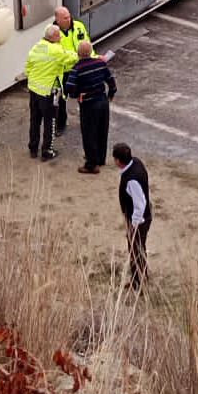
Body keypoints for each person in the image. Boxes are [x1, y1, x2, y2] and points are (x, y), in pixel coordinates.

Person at [64, 41, 115, 175]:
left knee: (89, 134)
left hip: (89, 104)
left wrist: (76, 94)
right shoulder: (100, 63)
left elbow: (69, 87)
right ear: (91, 51)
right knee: (102, 131)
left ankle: (92, 165)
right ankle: (100, 159)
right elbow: (111, 80)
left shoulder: (76, 68)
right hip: (103, 102)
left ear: (78, 54)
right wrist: (111, 94)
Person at [26, 26, 76, 160]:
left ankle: (33, 149)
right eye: (59, 35)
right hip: (49, 92)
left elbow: (28, 68)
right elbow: (70, 59)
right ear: (53, 37)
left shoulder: (36, 47)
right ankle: (47, 151)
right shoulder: (56, 50)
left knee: (34, 121)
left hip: (34, 90)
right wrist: (82, 54)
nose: (61, 37)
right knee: (50, 122)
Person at [112, 142, 151, 290]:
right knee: (137, 249)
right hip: (142, 216)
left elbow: (139, 205)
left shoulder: (132, 179)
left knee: (136, 250)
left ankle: (139, 282)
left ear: (118, 161)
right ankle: (139, 277)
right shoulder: (136, 162)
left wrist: (134, 225)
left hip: (139, 220)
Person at [52, 6, 91, 135]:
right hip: (62, 72)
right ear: (57, 20)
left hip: (79, 69)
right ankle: (61, 124)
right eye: (65, 17)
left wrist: (94, 58)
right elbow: (58, 54)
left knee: (84, 97)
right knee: (61, 100)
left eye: (69, 16)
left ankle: (86, 122)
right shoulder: (52, 33)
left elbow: (87, 45)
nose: (69, 19)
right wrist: (75, 57)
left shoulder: (78, 26)